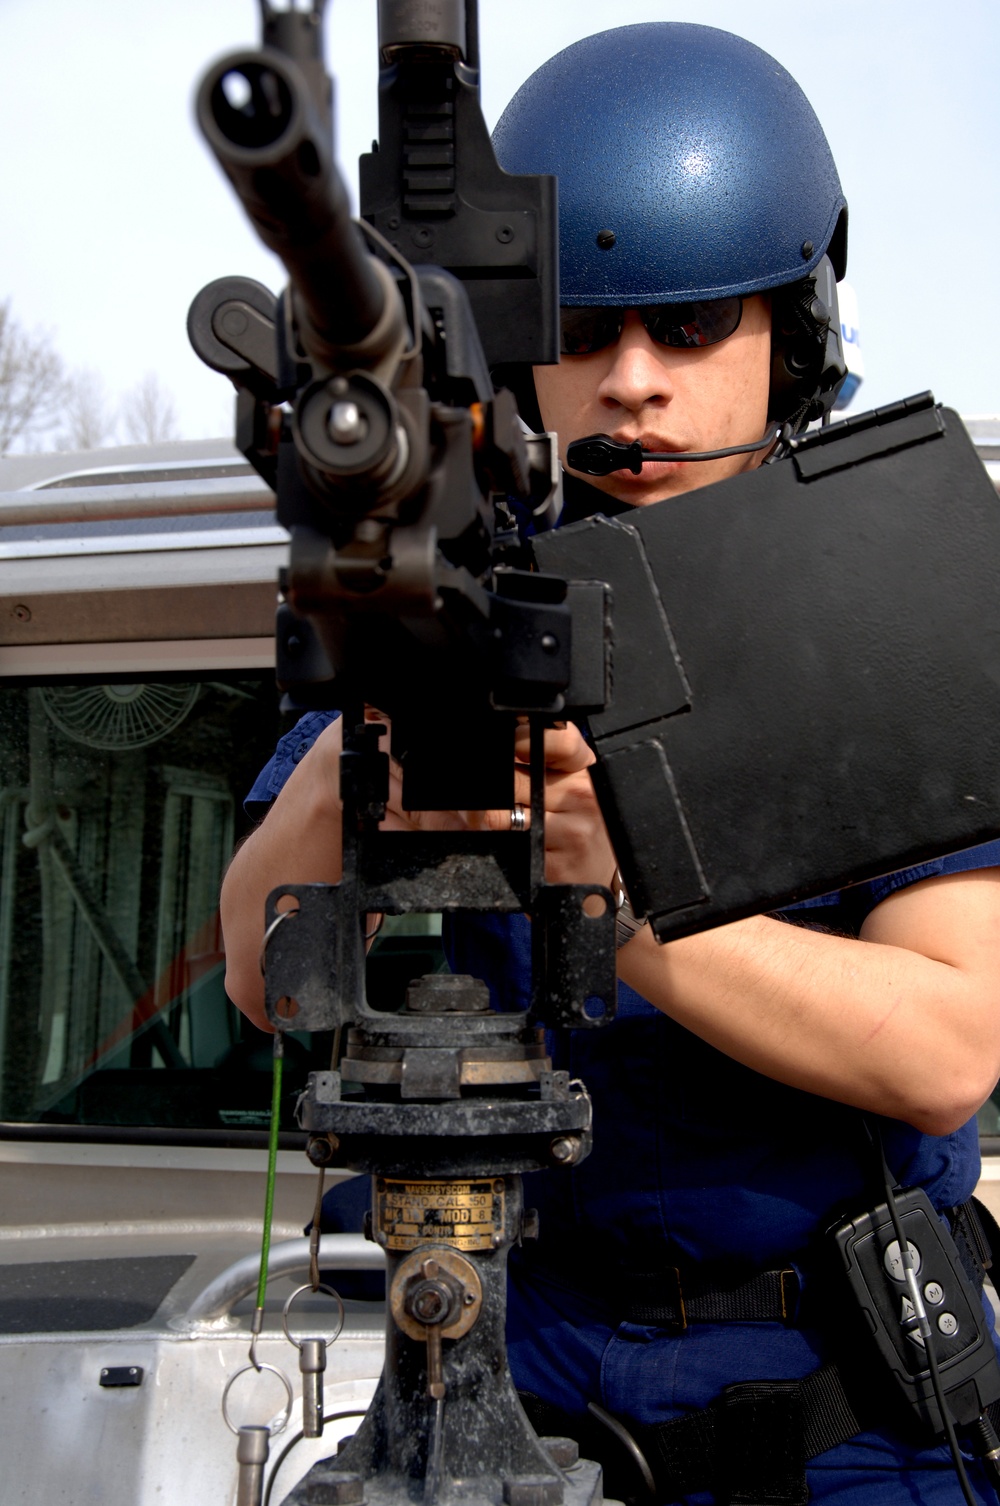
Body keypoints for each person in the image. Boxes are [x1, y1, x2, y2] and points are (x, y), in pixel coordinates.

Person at [220, 23, 1000, 1504]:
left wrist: (611, 902)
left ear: (799, 334)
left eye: (694, 328)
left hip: (838, 1424)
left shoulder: (880, 614)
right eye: (587, 331)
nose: (633, 383)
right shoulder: (465, 580)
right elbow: (265, 968)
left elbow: (944, 1043)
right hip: (511, 1379)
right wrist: (373, 724)